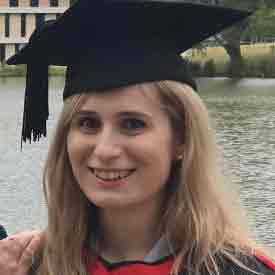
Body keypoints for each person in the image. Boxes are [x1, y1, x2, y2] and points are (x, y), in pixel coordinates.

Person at [0, 0, 275, 275]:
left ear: (180, 139)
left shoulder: (240, 270)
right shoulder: (35, 266)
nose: (105, 150)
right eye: (88, 123)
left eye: (133, 124)